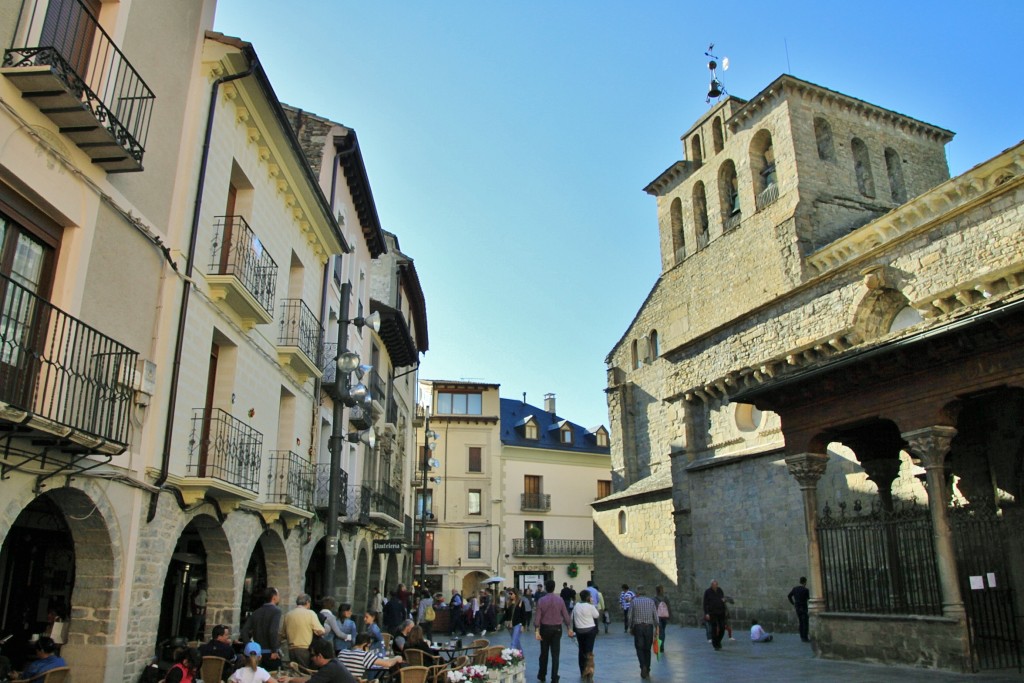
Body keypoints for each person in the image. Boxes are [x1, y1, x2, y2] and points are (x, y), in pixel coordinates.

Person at [534, 578, 573, 683]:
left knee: (544, 653)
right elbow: (566, 616)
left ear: (546, 588)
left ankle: (542, 675)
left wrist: (536, 630)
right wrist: (569, 628)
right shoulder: (560, 600)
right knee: (555, 654)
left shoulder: (541, 600)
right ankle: (554, 677)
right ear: (554, 587)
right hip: (557, 629)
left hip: (545, 628)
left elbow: (537, 618)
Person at [241, 587, 283, 671]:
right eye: (278, 595)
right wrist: (274, 650)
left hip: (258, 652)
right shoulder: (276, 611)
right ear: (274, 597)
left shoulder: (256, 612)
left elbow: (244, 631)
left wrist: (250, 646)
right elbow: (272, 631)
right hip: (270, 652)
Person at [280, 638, 356, 683]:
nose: (311, 658)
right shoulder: (333, 664)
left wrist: (290, 680)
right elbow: (312, 678)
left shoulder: (330, 668)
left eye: (312, 655)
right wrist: (290, 679)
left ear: (319, 656)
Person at [282, 593, 325, 667]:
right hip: (304, 648)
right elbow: (320, 631)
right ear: (308, 602)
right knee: (304, 672)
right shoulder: (310, 613)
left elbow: (283, 634)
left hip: (291, 649)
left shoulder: (288, 614)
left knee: (295, 672)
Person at [336, 634, 402, 681]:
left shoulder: (342, 652)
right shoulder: (364, 655)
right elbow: (388, 664)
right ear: (365, 645)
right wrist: (397, 658)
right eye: (369, 646)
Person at [627, 586, 658, 680]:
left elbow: (630, 616)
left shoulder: (634, 602)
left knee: (639, 648)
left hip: (638, 627)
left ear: (637, 593)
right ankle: (648, 669)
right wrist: (657, 627)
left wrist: (630, 627)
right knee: (647, 649)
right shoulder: (651, 601)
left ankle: (642, 666)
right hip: (649, 626)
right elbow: (655, 615)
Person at [571, 589, 600, 678]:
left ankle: (582, 670)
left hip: (579, 631)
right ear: (588, 597)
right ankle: (589, 670)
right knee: (589, 651)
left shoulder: (576, 606)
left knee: (581, 650)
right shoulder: (590, 606)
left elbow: (572, 617)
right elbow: (596, 615)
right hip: (590, 630)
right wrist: (591, 605)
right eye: (590, 596)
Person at [703, 579, 727, 651]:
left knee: (722, 628)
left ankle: (718, 641)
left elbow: (722, 598)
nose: (715, 586)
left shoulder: (720, 590)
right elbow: (705, 603)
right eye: (714, 585)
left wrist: (724, 600)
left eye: (716, 584)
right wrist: (706, 613)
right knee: (714, 628)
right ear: (711, 585)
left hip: (721, 612)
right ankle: (715, 644)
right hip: (712, 613)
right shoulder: (707, 592)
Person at [788, 576, 810, 642]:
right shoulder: (806, 590)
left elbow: (789, 596)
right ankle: (805, 637)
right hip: (803, 607)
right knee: (805, 622)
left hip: (797, 607)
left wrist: (793, 603)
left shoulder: (795, 589)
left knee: (801, 622)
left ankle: (801, 636)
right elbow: (808, 598)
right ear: (805, 582)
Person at [653, 585, 671, 651]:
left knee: (660, 631)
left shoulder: (654, 599)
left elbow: (653, 609)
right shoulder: (665, 598)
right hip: (664, 617)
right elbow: (668, 607)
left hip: (658, 617)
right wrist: (669, 616)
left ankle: (661, 645)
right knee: (662, 631)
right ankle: (661, 645)